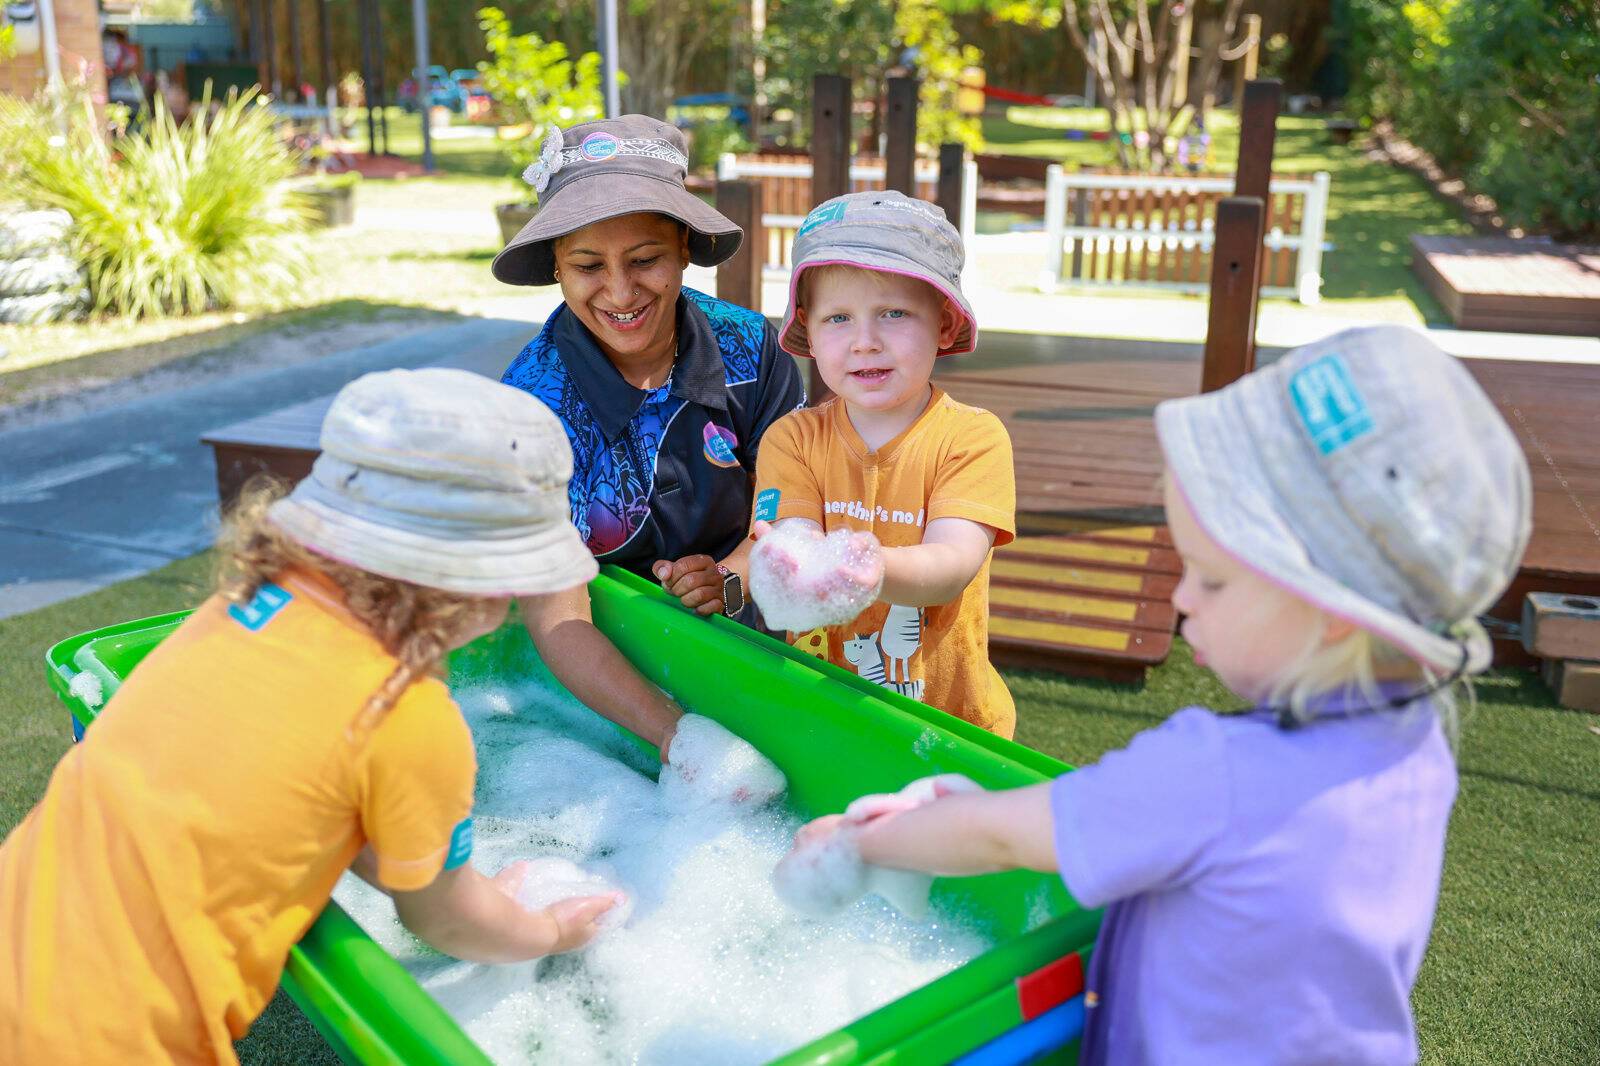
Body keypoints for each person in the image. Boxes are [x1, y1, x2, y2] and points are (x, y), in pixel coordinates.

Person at [778, 326, 1533, 1064]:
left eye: (1211, 577)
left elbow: (1004, 835)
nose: (1182, 598)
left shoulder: (1215, 771)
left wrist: (856, 844)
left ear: (1334, 617)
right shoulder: (1415, 744)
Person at [0, 369, 623, 1063]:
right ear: (478, 584)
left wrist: (464, 885)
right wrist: (546, 930)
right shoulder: (407, 715)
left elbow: (300, 778)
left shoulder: (245, 607)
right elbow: (442, 919)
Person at [492, 114, 806, 764]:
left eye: (645, 260)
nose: (620, 290)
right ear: (554, 265)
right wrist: (673, 734)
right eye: (587, 265)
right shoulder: (530, 403)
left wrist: (730, 577)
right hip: (603, 673)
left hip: (755, 630)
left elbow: (792, 513)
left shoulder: (754, 351)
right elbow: (557, 610)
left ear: (685, 247)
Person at [749, 190, 1018, 736]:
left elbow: (950, 567)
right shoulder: (793, 439)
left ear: (943, 326)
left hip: (947, 724)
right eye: (838, 318)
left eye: (894, 314)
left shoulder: (973, 437)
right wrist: (787, 565)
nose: (864, 343)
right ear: (809, 327)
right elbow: (794, 543)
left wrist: (860, 568)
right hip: (822, 712)